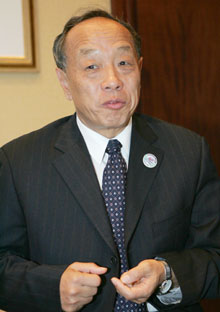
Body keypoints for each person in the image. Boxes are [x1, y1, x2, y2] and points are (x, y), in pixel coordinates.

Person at [0, 9, 220, 312]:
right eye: (92, 66)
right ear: (64, 81)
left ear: (140, 69)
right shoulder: (18, 162)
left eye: (124, 63)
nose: (113, 80)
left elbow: (215, 254)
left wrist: (167, 274)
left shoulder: (189, 151)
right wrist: (52, 287)